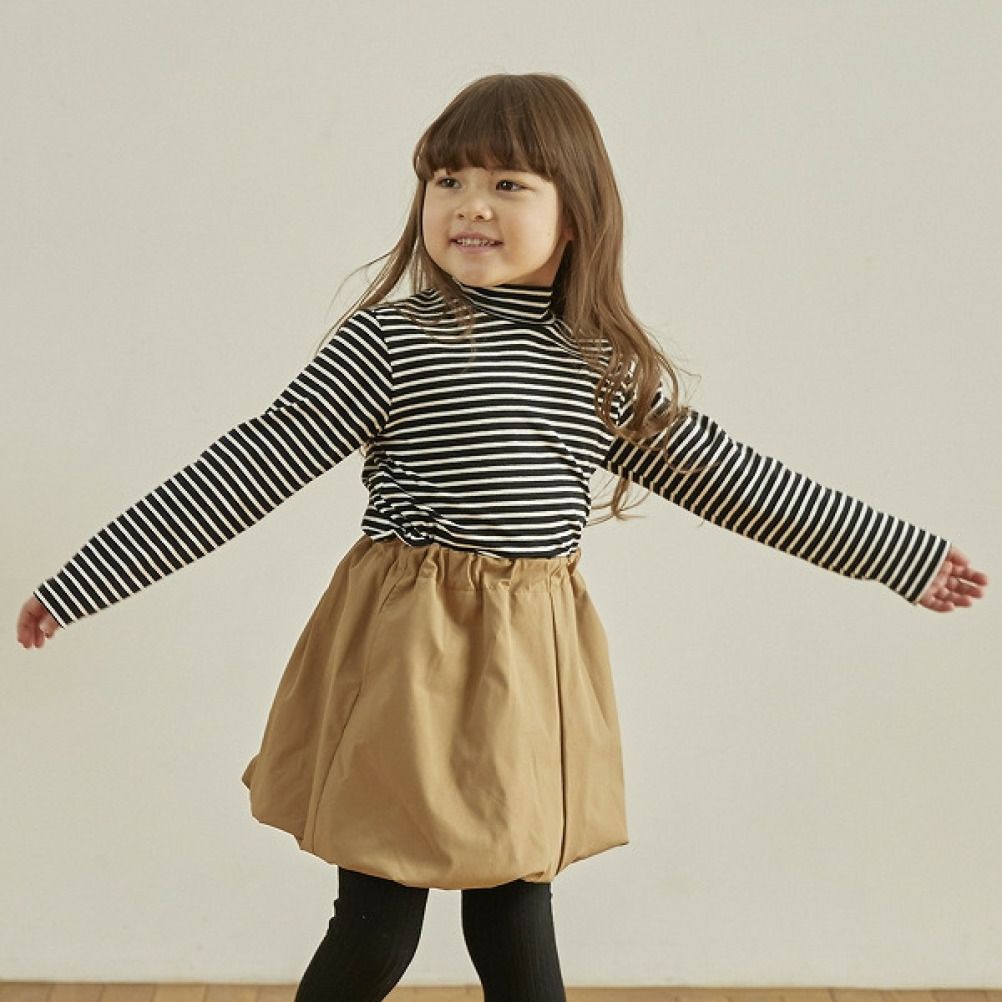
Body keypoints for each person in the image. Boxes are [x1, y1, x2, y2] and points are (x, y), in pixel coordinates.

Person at [15, 72, 987, 1002]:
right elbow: (245, 470)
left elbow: (735, 480)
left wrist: (897, 555)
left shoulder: (598, 367)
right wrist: (84, 581)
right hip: (407, 661)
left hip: (528, 670)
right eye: (448, 179)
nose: (469, 204)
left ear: (576, 213)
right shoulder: (388, 343)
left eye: (507, 183)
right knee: (379, 923)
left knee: (516, 918)